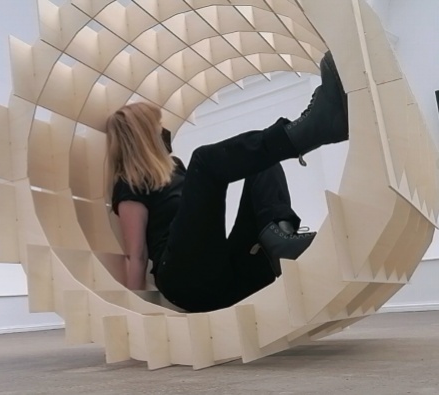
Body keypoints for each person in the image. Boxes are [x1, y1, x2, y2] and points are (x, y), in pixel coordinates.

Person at [107, 51, 348, 313]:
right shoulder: (128, 185)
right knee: (205, 160)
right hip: (183, 284)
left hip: (221, 276)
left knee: (259, 163)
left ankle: (280, 237)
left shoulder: (175, 168)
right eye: (158, 125)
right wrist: (136, 316)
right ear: (143, 134)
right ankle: (311, 129)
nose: (163, 131)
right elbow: (137, 255)